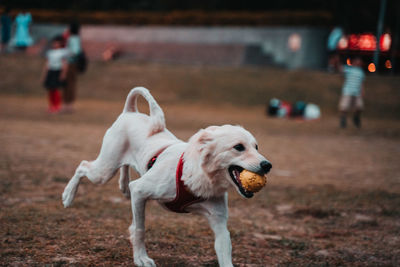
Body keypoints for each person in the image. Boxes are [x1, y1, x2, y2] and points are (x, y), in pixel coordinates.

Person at [41, 35, 69, 113]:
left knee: (56, 89)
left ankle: (57, 106)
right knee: (50, 90)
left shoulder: (62, 52)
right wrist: (45, 75)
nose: (55, 44)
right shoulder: (50, 52)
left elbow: (64, 64)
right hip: (51, 71)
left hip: (58, 71)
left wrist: (63, 73)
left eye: (57, 43)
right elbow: (47, 64)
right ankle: (51, 105)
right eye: (54, 43)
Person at [338, 57, 365, 128]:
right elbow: (341, 70)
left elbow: (362, 83)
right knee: (344, 107)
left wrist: (362, 91)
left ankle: (356, 118)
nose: (358, 63)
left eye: (360, 62)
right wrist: (338, 61)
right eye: (357, 62)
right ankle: (343, 120)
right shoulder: (349, 69)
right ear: (354, 62)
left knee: (359, 107)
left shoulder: (361, 72)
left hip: (357, 93)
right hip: (347, 91)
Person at [62, 21, 82, 112]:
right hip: (71, 63)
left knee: (68, 84)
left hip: (70, 64)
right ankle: (68, 104)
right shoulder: (76, 38)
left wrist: (65, 55)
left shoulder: (73, 38)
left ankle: (68, 105)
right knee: (70, 84)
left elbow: (75, 52)